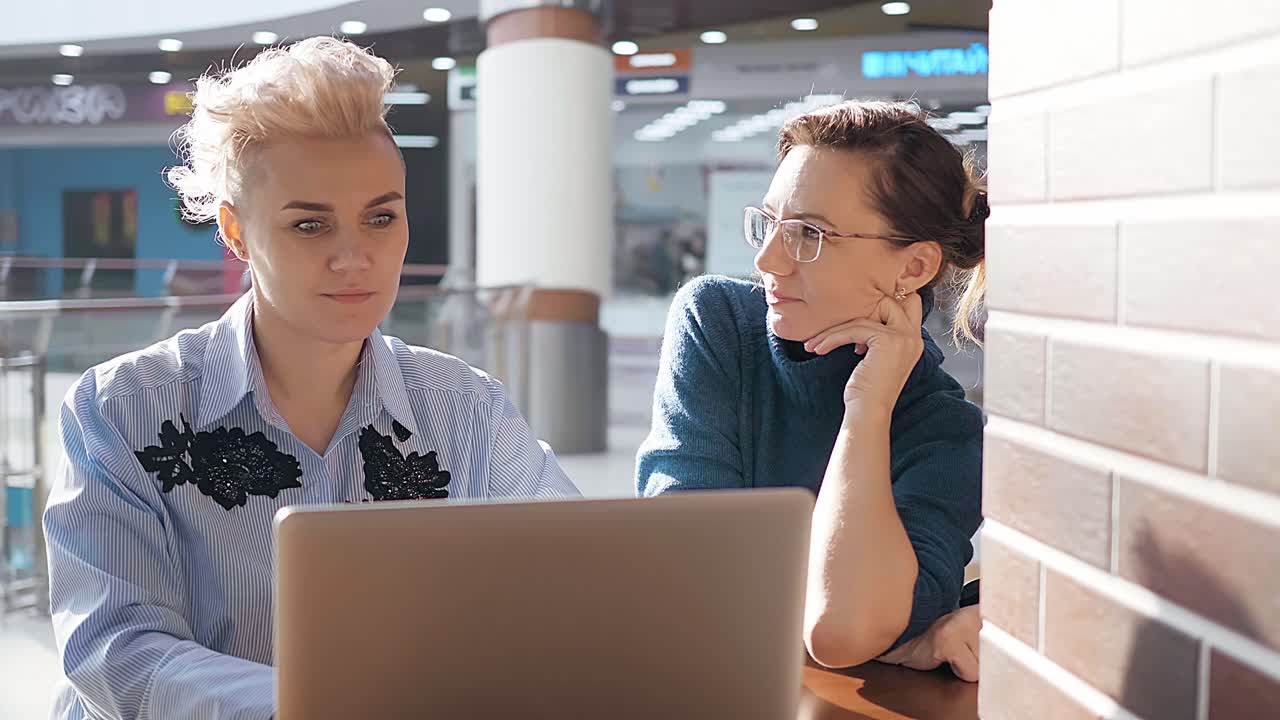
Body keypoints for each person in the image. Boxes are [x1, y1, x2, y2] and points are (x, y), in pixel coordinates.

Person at [43, 37, 578, 720]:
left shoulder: (466, 410)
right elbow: (116, 650)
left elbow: (569, 588)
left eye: (380, 217)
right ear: (236, 233)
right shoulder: (123, 409)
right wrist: (325, 705)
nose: (355, 257)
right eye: (309, 226)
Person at [636, 100, 986, 680]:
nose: (768, 259)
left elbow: (842, 631)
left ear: (914, 266)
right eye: (770, 223)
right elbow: (682, 573)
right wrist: (899, 642)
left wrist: (868, 409)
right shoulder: (718, 321)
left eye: (809, 234)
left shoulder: (946, 432)